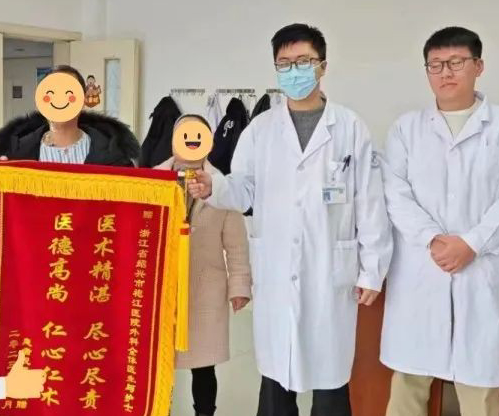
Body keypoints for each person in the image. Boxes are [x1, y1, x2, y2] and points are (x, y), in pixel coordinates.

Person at [188, 23, 393, 416]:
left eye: (303, 61)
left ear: (323, 66)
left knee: (330, 381)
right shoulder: (261, 129)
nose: (293, 71)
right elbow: (243, 190)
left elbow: (369, 201)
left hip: (329, 271)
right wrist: (214, 187)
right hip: (278, 271)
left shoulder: (349, 127)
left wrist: (372, 270)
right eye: (284, 64)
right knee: (276, 380)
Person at [380, 26, 499, 416]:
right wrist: (433, 239)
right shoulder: (406, 129)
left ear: (478, 66)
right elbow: (395, 194)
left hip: (482, 271)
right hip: (422, 271)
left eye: (456, 62)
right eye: (436, 64)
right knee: (408, 385)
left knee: (481, 389)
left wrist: (472, 243)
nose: (445, 72)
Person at [157, 114, 251, 416]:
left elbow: (236, 244)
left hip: (205, 287)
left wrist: (239, 286)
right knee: (160, 363)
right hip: (162, 287)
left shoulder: (222, 186)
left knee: (203, 364)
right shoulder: (152, 180)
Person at [0, 65, 139, 166]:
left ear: (83, 98)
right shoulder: (15, 155)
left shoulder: (114, 156)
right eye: (52, 92)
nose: (59, 100)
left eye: (68, 92)